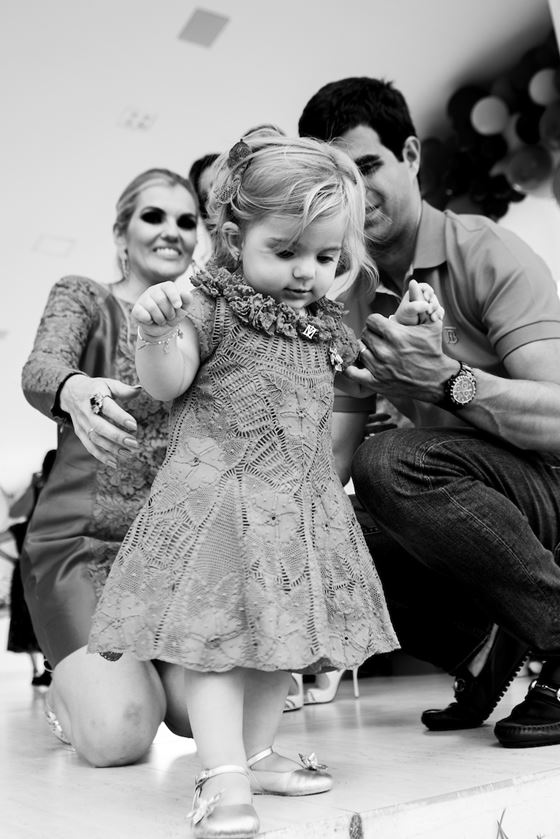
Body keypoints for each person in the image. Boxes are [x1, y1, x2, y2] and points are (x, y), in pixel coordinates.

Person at [88, 132, 407, 838]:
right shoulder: (213, 304)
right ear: (234, 237)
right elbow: (165, 382)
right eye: (286, 251)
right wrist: (154, 334)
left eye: (325, 258)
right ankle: (221, 773)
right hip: (220, 505)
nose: (306, 273)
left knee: (282, 644)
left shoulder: (317, 321)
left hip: (296, 506)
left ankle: (257, 753)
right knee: (217, 646)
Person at [299, 76, 560, 749]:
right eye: (337, 179)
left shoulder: (487, 251)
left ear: (412, 156)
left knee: (387, 460)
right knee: (323, 524)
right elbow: (330, 459)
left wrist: (448, 383)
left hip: (548, 491)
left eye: (368, 166)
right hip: (476, 508)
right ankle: (482, 655)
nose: (356, 195)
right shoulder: (347, 299)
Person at [20, 167, 199, 766]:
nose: (171, 231)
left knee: (204, 715)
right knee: (121, 733)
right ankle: (74, 697)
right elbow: (41, 366)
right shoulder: (85, 296)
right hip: (82, 546)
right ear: (121, 233)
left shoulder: (200, 328)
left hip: (168, 552)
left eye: (185, 220)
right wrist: (72, 389)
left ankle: (124, 674)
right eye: (153, 216)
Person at [6, 450, 56, 688]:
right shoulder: (40, 489)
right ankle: (46, 667)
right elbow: (15, 513)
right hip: (38, 559)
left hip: (49, 558)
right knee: (35, 617)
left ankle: (50, 666)